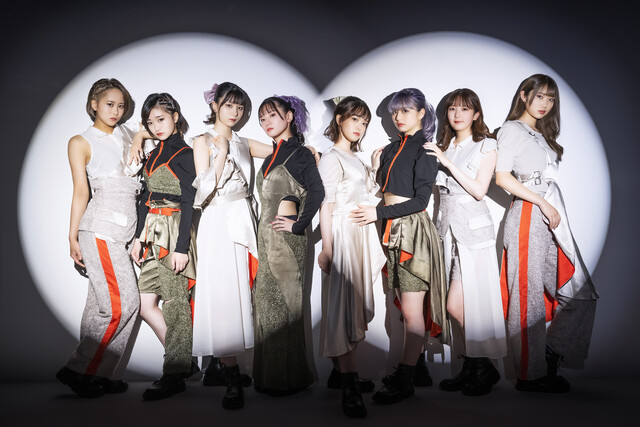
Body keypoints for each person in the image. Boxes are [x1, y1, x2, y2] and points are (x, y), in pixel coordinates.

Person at [494, 74, 598, 393]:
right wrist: (540, 202)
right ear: (524, 95)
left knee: (579, 292)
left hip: (549, 217)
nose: (545, 104)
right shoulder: (511, 129)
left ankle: (547, 353)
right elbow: (502, 177)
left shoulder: (541, 134)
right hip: (528, 214)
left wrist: (548, 206)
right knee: (527, 297)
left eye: (551, 99)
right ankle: (530, 374)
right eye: (540, 96)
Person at [351, 88, 449, 405]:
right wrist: (376, 166)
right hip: (390, 228)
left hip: (412, 231)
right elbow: (385, 190)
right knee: (402, 308)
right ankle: (415, 369)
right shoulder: (391, 148)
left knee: (410, 309)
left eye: (405, 110)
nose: (398, 117)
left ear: (422, 113)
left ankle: (406, 378)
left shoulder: (426, 149)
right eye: (395, 112)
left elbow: (421, 201)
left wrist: (377, 213)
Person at [57, 78, 142, 398]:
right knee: (123, 304)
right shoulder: (81, 141)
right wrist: (72, 237)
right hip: (100, 229)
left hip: (123, 233)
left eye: (121, 106)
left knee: (99, 309)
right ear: (94, 104)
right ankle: (77, 370)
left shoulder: (129, 133)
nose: (116, 111)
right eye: (109, 104)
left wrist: (139, 137)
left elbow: (152, 131)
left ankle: (102, 374)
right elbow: (81, 191)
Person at [190, 82, 273, 409]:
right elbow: (202, 191)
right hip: (218, 220)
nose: (235, 113)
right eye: (229, 106)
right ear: (215, 106)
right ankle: (232, 376)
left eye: (240, 107)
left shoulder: (243, 141)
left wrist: (308, 149)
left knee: (244, 292)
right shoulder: (202, 141)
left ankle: (228, 368)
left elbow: (280, 150)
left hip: (244, 217)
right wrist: (221, 152)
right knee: (224, 295)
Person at [424, 88, 507, 396]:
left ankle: (483, 367)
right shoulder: (444, 146)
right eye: (452, 109)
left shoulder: (486, 144)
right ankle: (472, 366)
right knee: (455, 307)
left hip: (473, 233)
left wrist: (446, 161)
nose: (457, 114)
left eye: (464, 109)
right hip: (447, 233)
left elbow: (479, 190)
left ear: (476, 114)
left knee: (462, 305)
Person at [317, 96, 387, 417]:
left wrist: (374, 167)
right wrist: (327, 247)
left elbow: (369, 194)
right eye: (355, 119)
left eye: (364, 122)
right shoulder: (332, 158)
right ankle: (349, 385)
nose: (360, 126)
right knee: (344, 309)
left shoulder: (355, 158)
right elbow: (326, 205)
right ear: (340, 119)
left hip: (360, 235)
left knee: (354, 307)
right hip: (344, 236)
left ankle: (342, 373)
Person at [252, 95, 324, 396]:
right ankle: (270, 376)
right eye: (262, 118)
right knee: (266, 307)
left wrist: (298, 224)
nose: (266, 122)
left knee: (285, 309)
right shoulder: (271, 155)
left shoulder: (300, 153)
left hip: (286, 245)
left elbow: (317, 192)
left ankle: (288, 379)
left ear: (290, 116)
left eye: (272, 115)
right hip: (265, 240)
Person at [130, 92, 197, 401]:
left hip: (174, 232)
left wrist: (182, 248)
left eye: (161, 119)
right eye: (150, 122)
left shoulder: (185, 154)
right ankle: (183, 361)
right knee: (145, 304)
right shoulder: (154, 153)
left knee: (175, 302)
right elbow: (145, 200)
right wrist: (138, 237)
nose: (156, 127)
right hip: (152, 233)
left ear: (175, 117)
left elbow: (189, 203)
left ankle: (174, 372)